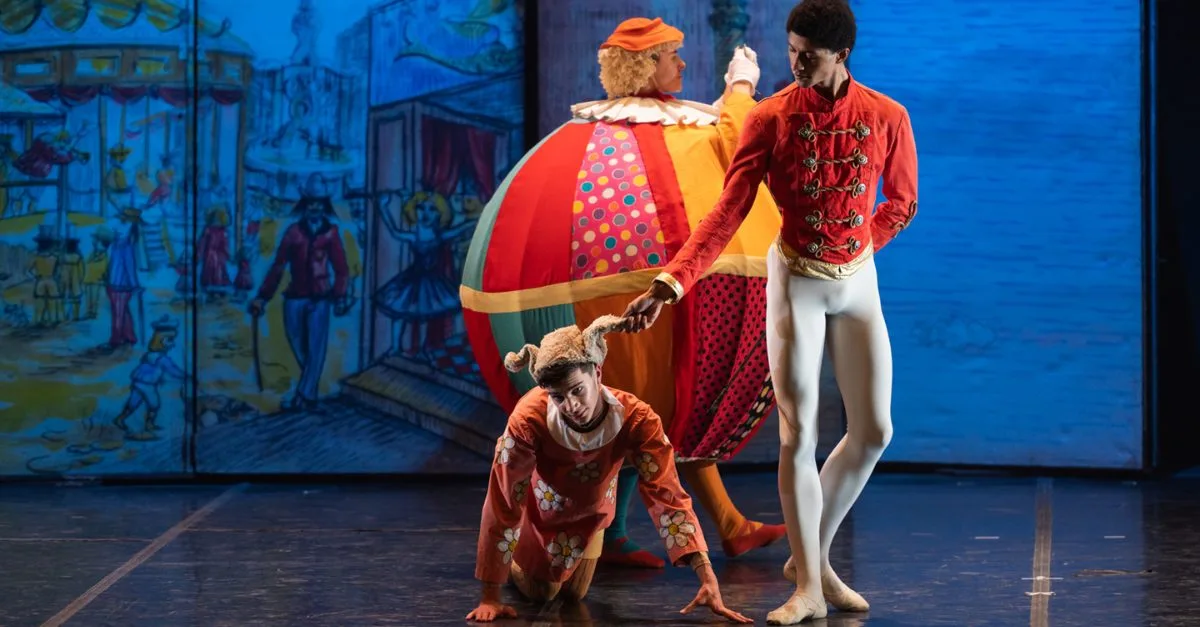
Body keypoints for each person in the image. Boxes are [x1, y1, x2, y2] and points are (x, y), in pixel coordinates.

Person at [623, 1, 918, 623]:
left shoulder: (888, 115)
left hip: (857, 278)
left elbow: (902, 201)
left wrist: (859, 246)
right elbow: (727, 211)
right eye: (791, 51)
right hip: (797, 280)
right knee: (798, 433)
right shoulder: (770, 118)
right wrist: (670, 284)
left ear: (842, 54)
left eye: (808, 55)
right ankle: (808, 586)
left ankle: (812, 556)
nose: (796, 64)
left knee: (874, 431)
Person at [458, 16, 786, 571]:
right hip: (662, 299)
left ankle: (711, 526)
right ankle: (615, 536)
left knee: (660, 412)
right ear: (646, 64)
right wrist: (740, 89)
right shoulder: (675, 135)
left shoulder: (599, 140)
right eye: (671, 55)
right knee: (651, 408)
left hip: (661, 301)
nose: (682, 64)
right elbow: (742, 148)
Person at [466, 315, 750, 624]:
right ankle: (519, 555)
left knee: (574, 594)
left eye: (577, 390)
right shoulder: (528, 419)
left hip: (593, 514)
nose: (571, 405)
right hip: (541, 515)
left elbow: (667, 495)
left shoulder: (638, 419)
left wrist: (706, 575)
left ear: (597, 373)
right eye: (558, 397)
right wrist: (490, 594)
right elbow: (504, 498)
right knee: (544, 592)